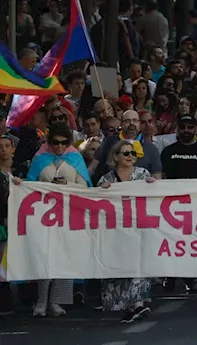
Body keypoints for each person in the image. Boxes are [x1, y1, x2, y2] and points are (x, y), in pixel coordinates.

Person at [22, 124, 89, 316]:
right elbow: (30, 184)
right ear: (49, 142)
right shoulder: (40, 158)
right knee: (45, 257)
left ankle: (57, 302)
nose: (59, 147)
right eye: (55, 143)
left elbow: (84, 185)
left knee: (64, 257)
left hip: (68, 215)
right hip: (44, 216)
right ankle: (41, 301)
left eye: (63, 143)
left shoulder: (75, 158)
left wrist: (66, 186)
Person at [97, 140, 158, 323]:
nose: (130, 156)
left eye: (132, 153)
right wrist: (102, 191)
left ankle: (138, 303)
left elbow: (154, 195)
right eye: (125, 153)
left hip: (138, 228)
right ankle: (130, 307)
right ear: (116, 157)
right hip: (114, 231)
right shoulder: (106, 179)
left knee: (137, 264)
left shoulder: (142, 175)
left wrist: (153, 185)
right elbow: (97, 201)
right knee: (120, 268)